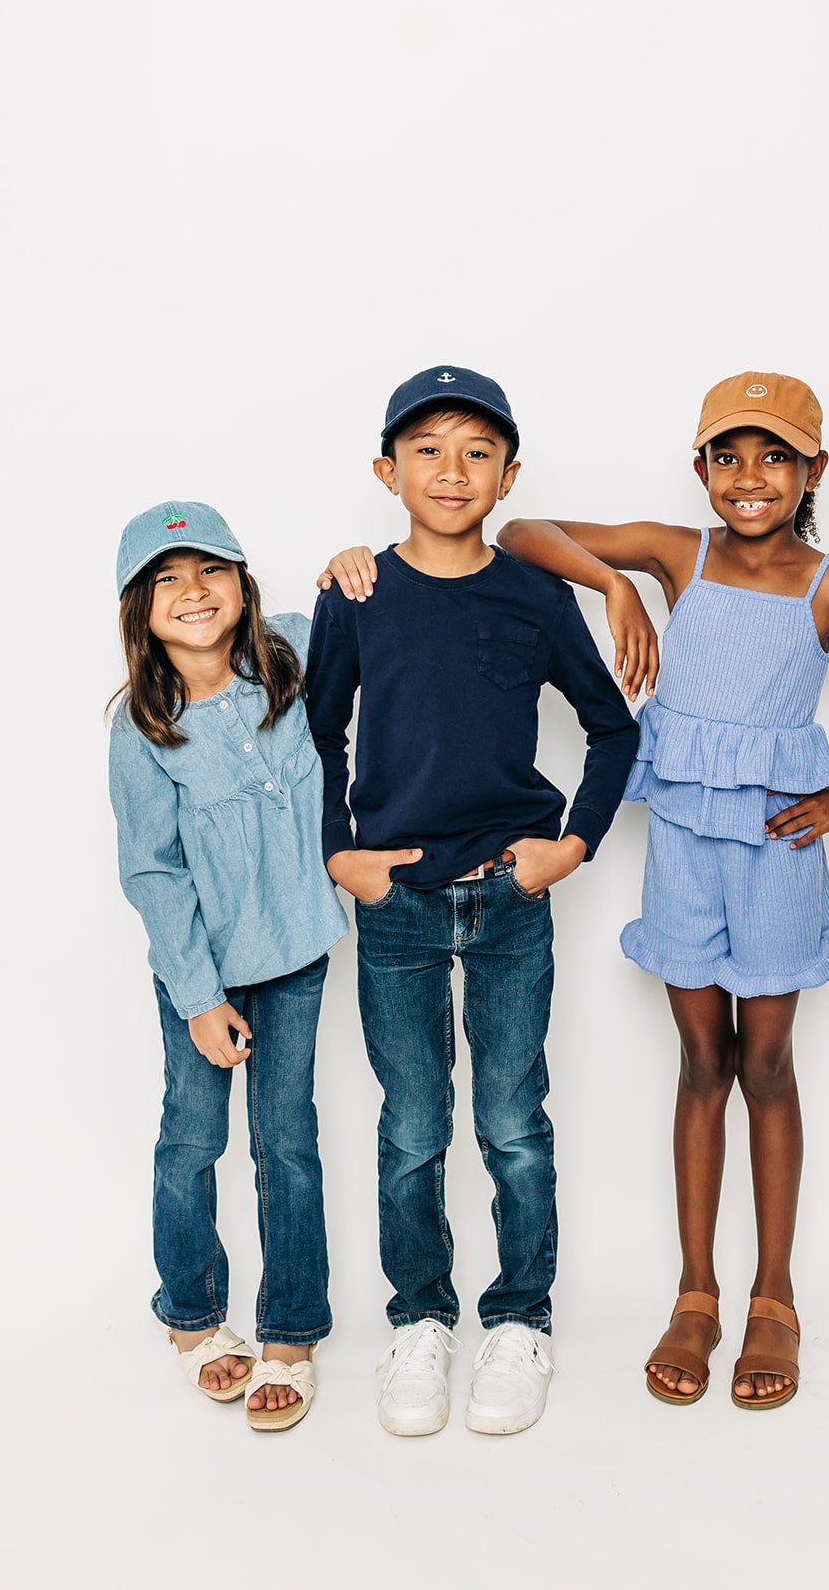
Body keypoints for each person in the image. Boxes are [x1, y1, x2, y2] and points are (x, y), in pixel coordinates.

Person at [324, 370, 829, 1411]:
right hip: (683, 848)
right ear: (701, 467)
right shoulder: (677, 552)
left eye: (775, 458)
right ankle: (695, 1293)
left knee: (767, 1060)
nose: (749, 478)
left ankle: (774, 1297)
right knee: (700, 1058)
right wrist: (615, 583)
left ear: (814, 472)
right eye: (727, 455)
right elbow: (528, 532)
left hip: (777, 847)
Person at [307, 366, 639, 1436]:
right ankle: (419, 1319)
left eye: (477, 451)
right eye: (428, 449)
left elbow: (613, 727)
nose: (452, 470)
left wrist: (573, 844)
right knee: (410, 1125)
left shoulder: (536, 597)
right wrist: (336, 856)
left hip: (509, 898)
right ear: (386, 470)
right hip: (395, 901)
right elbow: (316, 732)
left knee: (511, 1122)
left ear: (507, 474)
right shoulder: (353, 592)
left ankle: (521, 1317)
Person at [109, 500, 347, 1432]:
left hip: (294, 954)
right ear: (140, 611)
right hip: (200, 971)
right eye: (166, 581)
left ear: (245, 586)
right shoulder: (142, 727)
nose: (193, 592)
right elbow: (152, 870)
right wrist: (200, 999)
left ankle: (290, 1331)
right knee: (193, 1138)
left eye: (210, 571)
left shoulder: (291, 651)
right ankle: (194, 1317)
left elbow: (359, 608)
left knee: (287, 1142)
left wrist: (350, 563)